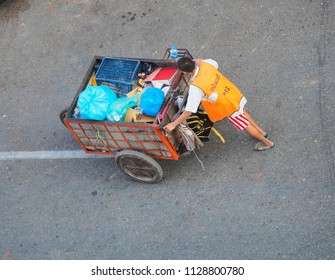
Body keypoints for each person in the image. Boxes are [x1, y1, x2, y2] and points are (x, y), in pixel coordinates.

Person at [164, 57, 275, 151]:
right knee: (243, 113)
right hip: (231, 94)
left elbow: (189, 111)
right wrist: (200, 61)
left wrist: (173, 124)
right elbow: (212, 63)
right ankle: (262, 132)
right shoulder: (206, 64)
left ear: (185, 72)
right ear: (194, 61)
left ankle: (266, 142)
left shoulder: (196, 87)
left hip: (227, 106)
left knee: (244, 124)